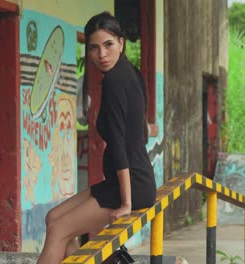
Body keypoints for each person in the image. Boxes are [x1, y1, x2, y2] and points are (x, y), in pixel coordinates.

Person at [37, 11, 156, 264]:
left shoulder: (114, 80)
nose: (102, 54)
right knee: (53, 219)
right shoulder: (131, 73)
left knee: (58, 230)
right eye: (94, 48)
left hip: (130, 185)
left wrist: (126, 203)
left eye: (108, 45)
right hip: (126, 181)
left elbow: (120, 143)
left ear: (121, 43)